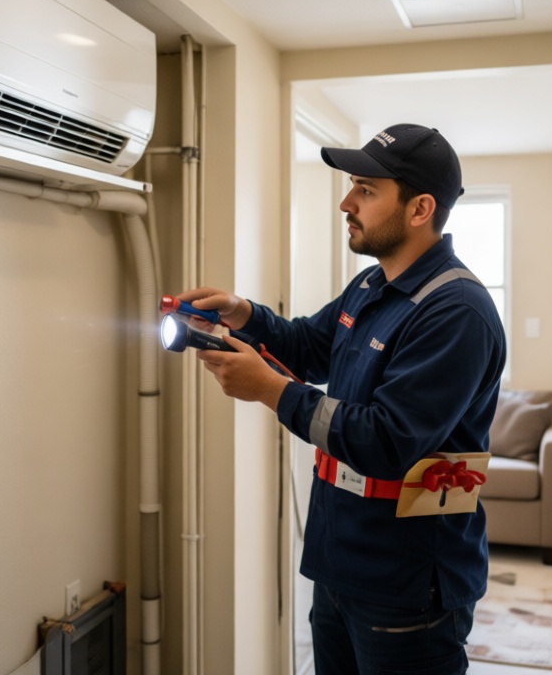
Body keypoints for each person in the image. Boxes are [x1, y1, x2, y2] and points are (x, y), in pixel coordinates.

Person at [177, 123, 506, 674]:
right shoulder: (372, 286)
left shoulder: (456, 313)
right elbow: (309, 345)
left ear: (421, 208)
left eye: (367, 190)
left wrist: (270, 390)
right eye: (352, 185)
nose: (345, 202)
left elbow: (385, 439)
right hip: (337, 561)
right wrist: (244, 313)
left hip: (406, 580)